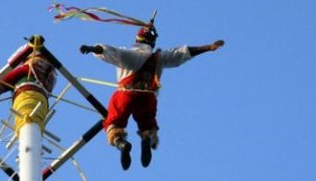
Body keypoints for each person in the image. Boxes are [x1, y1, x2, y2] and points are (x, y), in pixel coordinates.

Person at [79, 25, 224, 169]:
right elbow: (181, 53)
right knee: (148, 123)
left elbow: (107, 51)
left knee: (114, 121)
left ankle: (120, 143)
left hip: (126, 95)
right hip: (147, 98)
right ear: (152, 44)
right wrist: (208, 47)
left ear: (137, 40)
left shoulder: (127, 54)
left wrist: (91, 48)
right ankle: (148, 137)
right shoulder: (159, 58)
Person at [0, 35, 56, 133]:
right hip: (45, 85)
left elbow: (12, 61)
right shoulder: (51, 63)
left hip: (32, 68)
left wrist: (1, 74)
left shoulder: (29, 49)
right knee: (2, 84)